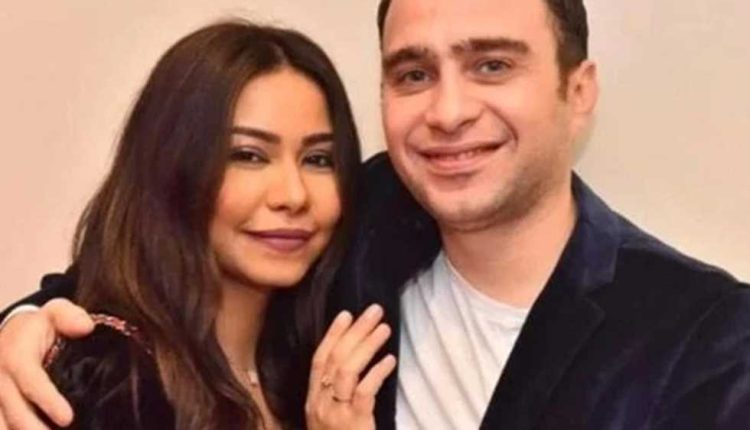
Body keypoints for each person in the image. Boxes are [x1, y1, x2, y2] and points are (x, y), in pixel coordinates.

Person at [2, 0, 750, 429]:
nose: (449, 112)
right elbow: (146, 260)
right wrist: (26, 326)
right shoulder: (356, 227)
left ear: (577, 91)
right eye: (414, 73)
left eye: (492, 64)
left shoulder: (710, 338)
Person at [0, 20, 397, 430]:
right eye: (249, 156)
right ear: (172, 167)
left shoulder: (312, 364)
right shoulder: (114, 381)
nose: (294, 195)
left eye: (318, 159)